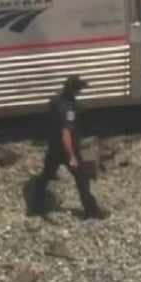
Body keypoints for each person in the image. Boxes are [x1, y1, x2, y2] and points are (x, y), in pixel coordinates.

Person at [29, 75, 108, 220]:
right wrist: (71, 156)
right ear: (74, 90)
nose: (80, 92)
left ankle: (35, 206)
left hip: (54, 147)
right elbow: (66, 132)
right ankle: (92, 210)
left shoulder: (56, 101)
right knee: (81, 179)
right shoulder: (68, 108)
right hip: (66, 149)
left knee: (46, 176)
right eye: (79, 89)